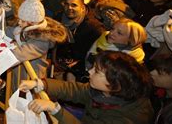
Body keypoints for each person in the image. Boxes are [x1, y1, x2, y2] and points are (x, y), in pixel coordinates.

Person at [19, 51, 154, 124]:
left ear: (114, 85)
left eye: (97, 71)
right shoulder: (106, 92)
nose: (89, 72)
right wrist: (40, 84)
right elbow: (75, 90)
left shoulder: (128, 118)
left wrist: (55, 109)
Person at [57, 0, 105, 82]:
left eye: (74, 5)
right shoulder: (59, 19)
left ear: (83, 8)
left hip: (81, 71)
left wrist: (75, 68)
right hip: (60, 63)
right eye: (66, 4)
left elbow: (95, 56)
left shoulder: (94, 28)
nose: (69, 8)